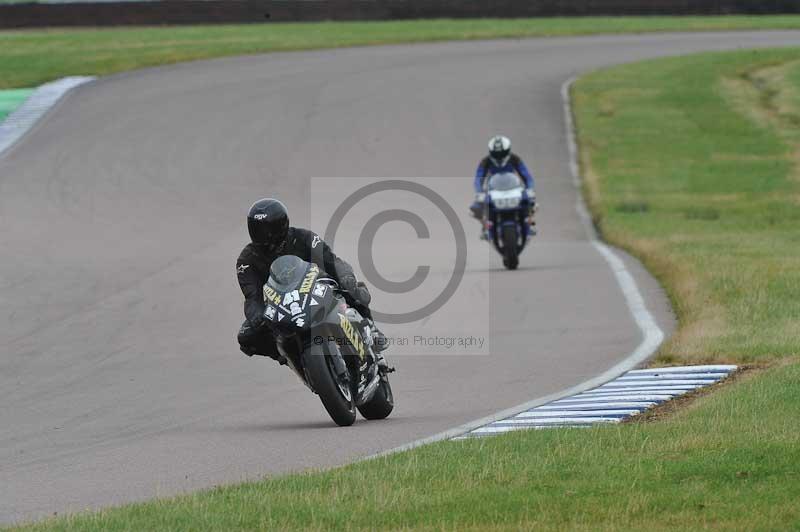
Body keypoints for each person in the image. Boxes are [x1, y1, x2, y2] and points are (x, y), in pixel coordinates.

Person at [236, 198, 386, 362]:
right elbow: (252, 296)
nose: (263, 235)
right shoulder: (247, 259)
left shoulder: (303, 238)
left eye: (267, 229)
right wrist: (257, 316)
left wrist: (346, 277)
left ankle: (370, 327)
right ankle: (287, 355)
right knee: (246, 337)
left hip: (314, 289)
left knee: (350, 286)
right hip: (280, 307)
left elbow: (332, 261)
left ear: (281, 225)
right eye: (257, 229)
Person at [470, 135, 537, 237]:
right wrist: (479, 192)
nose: (499, 156)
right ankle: (485, 226)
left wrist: (530, 188)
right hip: (493, 189)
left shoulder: (515, 159)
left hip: (514, 187)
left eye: (502, 153)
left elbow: (527, 176)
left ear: (508, 150)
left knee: (531, 202)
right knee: (475, 208)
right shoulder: (485, 162)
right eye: (496, 154)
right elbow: (478, 178)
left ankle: (529, 223)